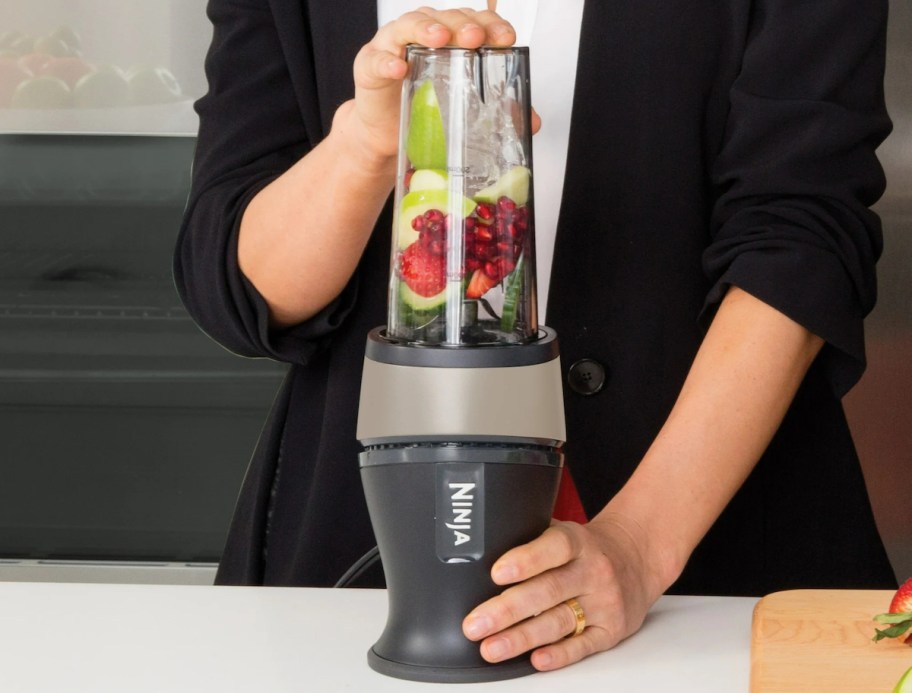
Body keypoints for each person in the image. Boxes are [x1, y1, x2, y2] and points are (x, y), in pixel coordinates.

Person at [174, 0, 896, 672]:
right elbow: (238, 288)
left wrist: (641, 545)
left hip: (715, 554)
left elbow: (802, 241)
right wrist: (365, 148)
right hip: (352, 558)